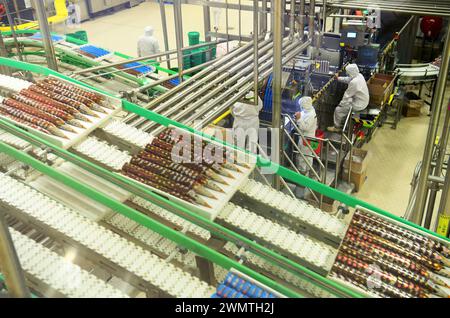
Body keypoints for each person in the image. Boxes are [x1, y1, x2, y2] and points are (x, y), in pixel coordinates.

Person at [328, 64, 369, 133]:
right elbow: (348, 79)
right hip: (363, 100)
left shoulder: (355, 82)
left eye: (348, 72)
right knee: (344, 105)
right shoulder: (359, 75)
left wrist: (341, 105)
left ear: (351, 72)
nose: (347, 73)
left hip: (359, 104)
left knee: (338, 110)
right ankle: (342, 123)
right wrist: (338, 78)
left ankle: (337, 127)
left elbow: (347, 95)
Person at [295, 97, 318, 175]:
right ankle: (308, 169)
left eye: (301, 105)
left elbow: (305, 127)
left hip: (306, 138)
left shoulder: (310, 114)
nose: (301, 107)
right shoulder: (310, 110)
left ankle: (302, 172)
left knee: (303, 155)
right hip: (308, 137)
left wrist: (298, 119)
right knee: (308, 155)